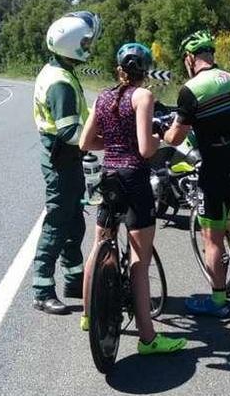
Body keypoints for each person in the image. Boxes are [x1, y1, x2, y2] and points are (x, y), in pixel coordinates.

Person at [79, 43, 187, 355]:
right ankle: (148, 339)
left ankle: (88, 316)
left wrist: (113, 144)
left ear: (119, 68)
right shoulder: (143, 97)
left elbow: (86, 142)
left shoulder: (103, 97)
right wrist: (157, 139)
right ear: (145, 68)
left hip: (109, 178)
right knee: (140, 262)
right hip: (134, 182)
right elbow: (144, 150)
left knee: (99, 246)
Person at [162, 30, 230, 317]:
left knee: (211, 236)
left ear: (190, 58)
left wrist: (163, 134)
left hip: (217, 168)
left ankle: (218, 300)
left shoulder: (191, 90)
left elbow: (177, 137)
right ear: (211, 55)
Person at [31, 11, 101, 315]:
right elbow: (70, 131)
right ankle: (42, 289)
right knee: (57, 223)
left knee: (74, 219)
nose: (89, 46)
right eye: (85, 41)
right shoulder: (59, 81)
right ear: (72, 44)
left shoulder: (61, 69)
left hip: (67, 158)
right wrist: (109, 140)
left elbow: (76, 121)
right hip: (61, 157)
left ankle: (73, 280)